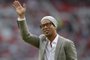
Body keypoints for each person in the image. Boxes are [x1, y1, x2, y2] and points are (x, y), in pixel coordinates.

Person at [13, 0, 77, 60]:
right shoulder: (42, 41)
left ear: (55, 26)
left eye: (48, 25)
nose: (45, 27)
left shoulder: (67, 43)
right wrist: (21, 17)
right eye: (42, 26)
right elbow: (26, 37)